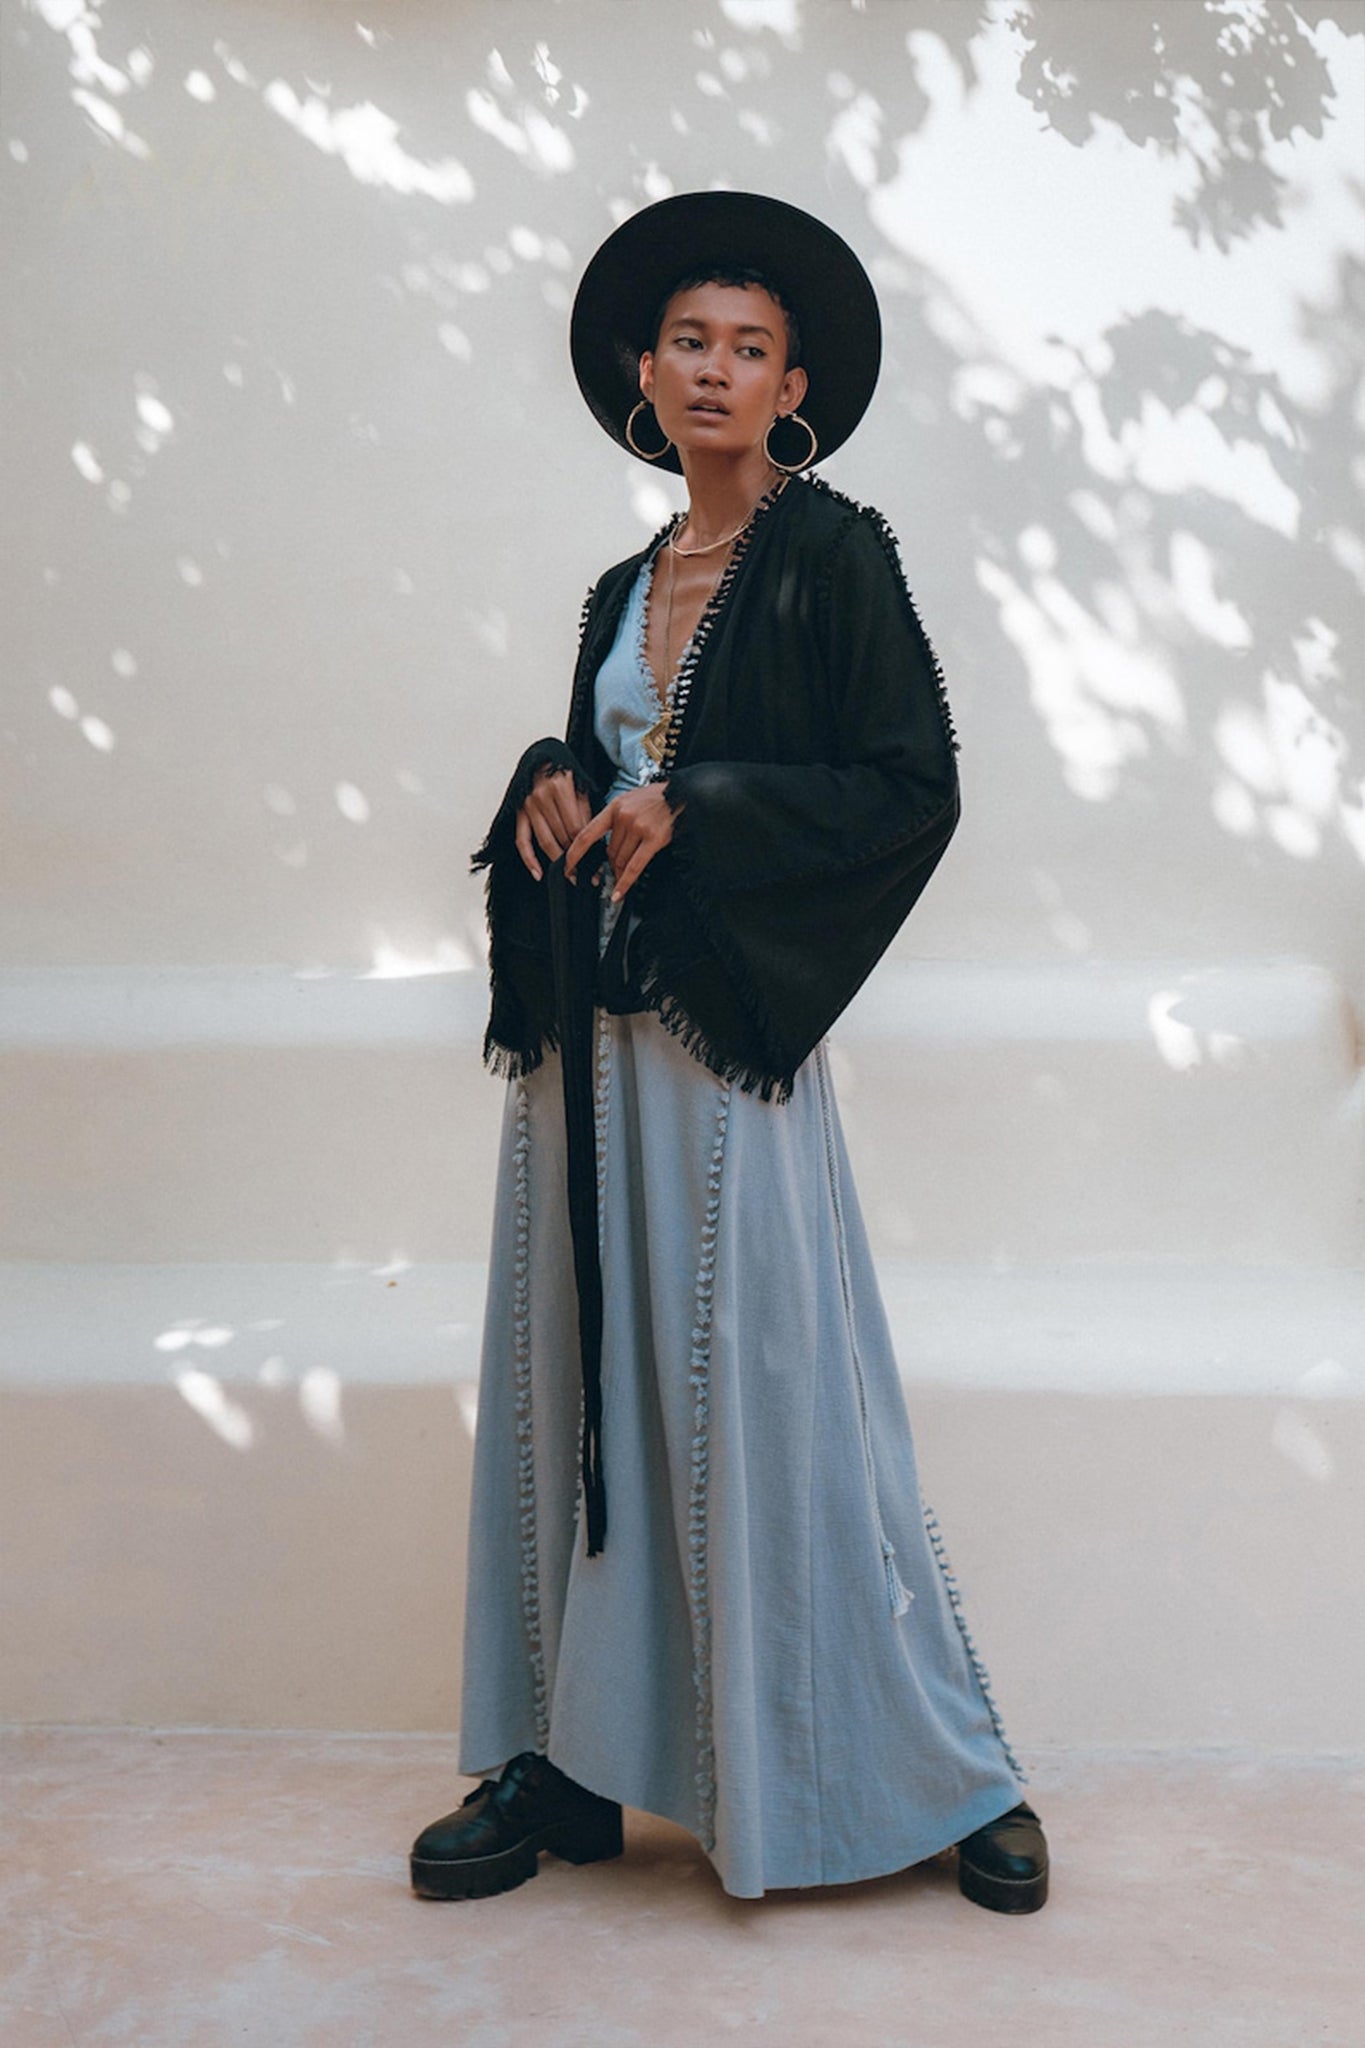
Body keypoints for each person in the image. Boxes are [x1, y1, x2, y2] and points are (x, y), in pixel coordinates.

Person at [410, 191, 1049, 1911]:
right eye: (688, 340)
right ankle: (559, 1764)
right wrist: (551, 773)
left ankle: (930, 1770)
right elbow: (611, 770)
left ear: (792, 387)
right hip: (584, 1062)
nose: (713, 368)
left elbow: (905, 787)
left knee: (771, 1400)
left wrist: (694, 802)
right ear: (642, 369)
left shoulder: (833, 554)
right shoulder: (624, 583)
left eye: (747, 348)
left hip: (719, 1062)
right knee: (574, 1396)